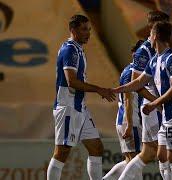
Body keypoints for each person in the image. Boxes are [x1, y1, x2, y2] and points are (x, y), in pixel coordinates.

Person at [113, 21, 172, 180]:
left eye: (150, 34)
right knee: (161, 154)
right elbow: (138, 82)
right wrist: (116, 90)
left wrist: (154, 104)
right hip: (167, 114)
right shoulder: (155, 60)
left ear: (155, 36)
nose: (149, 37)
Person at [47, 14, 115, 180]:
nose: (88, 33)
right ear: (73, 30)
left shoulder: (77, 49)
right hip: (68, 107)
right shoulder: (70, 49)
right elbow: (72, 82)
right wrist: (99, 89)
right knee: (62, 152)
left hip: (79, 108)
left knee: (96, 147)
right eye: (84, 29)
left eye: (89, 29)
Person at [116, 11, 172, 180]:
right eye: (161, 24)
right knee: (154, 152)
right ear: (152, 27)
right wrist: (158, 103)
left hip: (157, 106)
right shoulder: (144, 51)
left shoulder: (162, 49)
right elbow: (137, 85)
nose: (166, 28)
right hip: (152, 107)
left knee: (159, 152)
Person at [102, 40, 144, 180]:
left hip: (124, 120)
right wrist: (130, 124)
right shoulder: (133, 72)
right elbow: (128, 98)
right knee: (136, 161)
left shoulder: (128, 70)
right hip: (130, 120)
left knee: (128, 160)